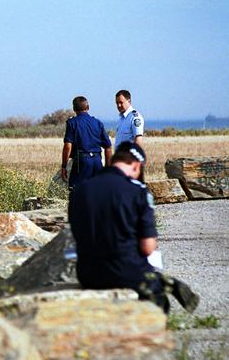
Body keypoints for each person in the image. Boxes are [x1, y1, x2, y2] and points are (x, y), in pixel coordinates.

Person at [69, 142, 199, 314]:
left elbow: (75, 233)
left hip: (87, 273)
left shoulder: (80, 190)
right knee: (158, 299)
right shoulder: (137, 191)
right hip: (125, 271)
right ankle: (162, 285)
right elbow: (148, 247)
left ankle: (164, 282)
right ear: (137, 165)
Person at [61, 96, 112, 189]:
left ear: (74, 109)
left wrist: (64, 166)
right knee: (97, 191)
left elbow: (68, 146)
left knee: (76, 192)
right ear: (88, 108)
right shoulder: (98, 123)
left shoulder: (72, 123)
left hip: (82, 162)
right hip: (97, 161)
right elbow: (108, 147)